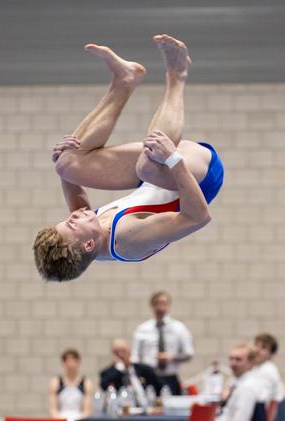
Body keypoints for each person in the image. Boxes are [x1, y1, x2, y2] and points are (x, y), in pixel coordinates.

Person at [33, 35, 224, 281]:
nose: (72, 215)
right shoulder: (129, 238)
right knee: (147, 166)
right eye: (71, 224)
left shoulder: (88, 237)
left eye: (65, 220)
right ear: (90, 245)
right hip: (201, 177)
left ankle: (124, 79)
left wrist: (62, 158)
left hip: (157, 177)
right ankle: (177, 74)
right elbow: (198, 217)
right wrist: (173, 160)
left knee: (68, 166)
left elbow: (79, 203)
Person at [131, 291, 194, 394]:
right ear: (152, 305)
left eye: (164, 303)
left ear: (169, 305)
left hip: (170, 378)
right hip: (149, 378)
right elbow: (135, 358)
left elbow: (189, 353)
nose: (160, 307)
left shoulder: (179, 328)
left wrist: (171, 357)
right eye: (157, 303)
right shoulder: (142, 329)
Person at [99, 339, 162, 405]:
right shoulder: (108, 373)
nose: (121, 355)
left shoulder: (144, 370)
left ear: (129, 352)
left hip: (146, 406)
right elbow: (104, 386)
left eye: (123, 351)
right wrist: (119, 370)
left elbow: (160, 386)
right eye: (116, 352)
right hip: (122, 409)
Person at [251, 333, 284, 403]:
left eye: (263, 348)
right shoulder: (255, 368)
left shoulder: (268, 370)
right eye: (256, 345)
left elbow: (259, 399)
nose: (257, 350)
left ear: (271, 355)